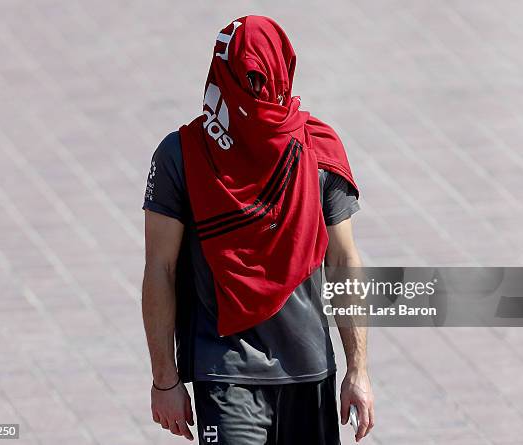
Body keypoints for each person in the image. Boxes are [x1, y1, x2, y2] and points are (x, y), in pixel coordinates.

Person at [142, 15, 374, 444]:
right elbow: (160, 268)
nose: (257, 89)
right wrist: (165, 380)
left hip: (309, 371)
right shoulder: (182, 156)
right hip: (224, 371)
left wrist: (358, 369)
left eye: (262, 76)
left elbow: (344, 263)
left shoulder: (318, 151)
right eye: (247, 77)